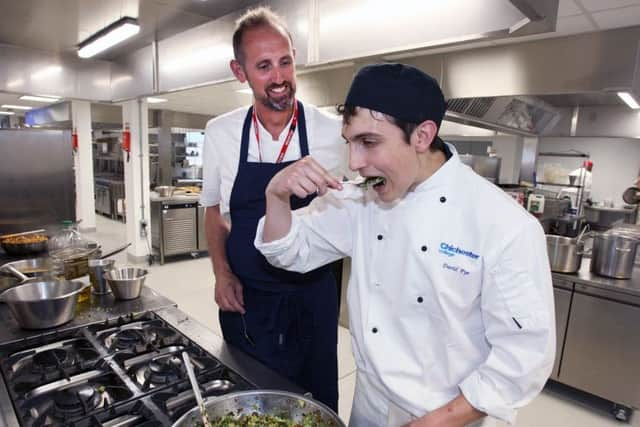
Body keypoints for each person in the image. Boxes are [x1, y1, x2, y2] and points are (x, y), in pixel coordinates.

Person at [255, 63, 555, 426]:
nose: (354, 163)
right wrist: (276, 196)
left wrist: (433, 421)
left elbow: (523, 358)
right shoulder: (360, 200)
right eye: (350, 142)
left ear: (423, 136)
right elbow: (288, 251)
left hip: (452, 416)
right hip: (370, 406)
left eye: (369, 143)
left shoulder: (503, 225)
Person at [200, 7, 349, 411]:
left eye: (285, 61)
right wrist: (221, 272)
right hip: (247, 300)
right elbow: (213, 211)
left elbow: (355, 208)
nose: (279, 77)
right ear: (239, 71)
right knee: (248, 405)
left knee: (313, 405)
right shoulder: (221, 133)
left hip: (312, 298)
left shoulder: (331, 133)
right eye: (264, 66)